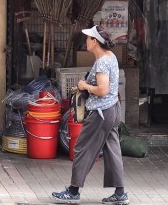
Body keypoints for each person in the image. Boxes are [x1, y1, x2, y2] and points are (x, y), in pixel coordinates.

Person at [51, 25, 126, 204]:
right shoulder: (110, 57)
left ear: (94, 42)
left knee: (82, 148)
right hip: (112, 110)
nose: (85, 41)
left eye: (88, 38)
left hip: (101, 113)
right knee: (112, 150)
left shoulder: (101, 62)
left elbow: (102, 89)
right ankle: (120, 193)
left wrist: (85, 87)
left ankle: (73, 191)